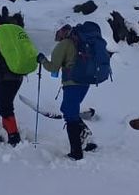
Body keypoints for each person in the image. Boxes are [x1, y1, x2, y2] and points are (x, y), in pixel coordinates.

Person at [39, 23, 98, 160]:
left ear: (62, 32)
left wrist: (42, 59)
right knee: (67, 109)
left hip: (72, 83)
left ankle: (76, 152)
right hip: (85, 82)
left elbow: (53, 67)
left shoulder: (65, 44)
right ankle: (86, 138)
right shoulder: (80, 43)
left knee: (70, 115)